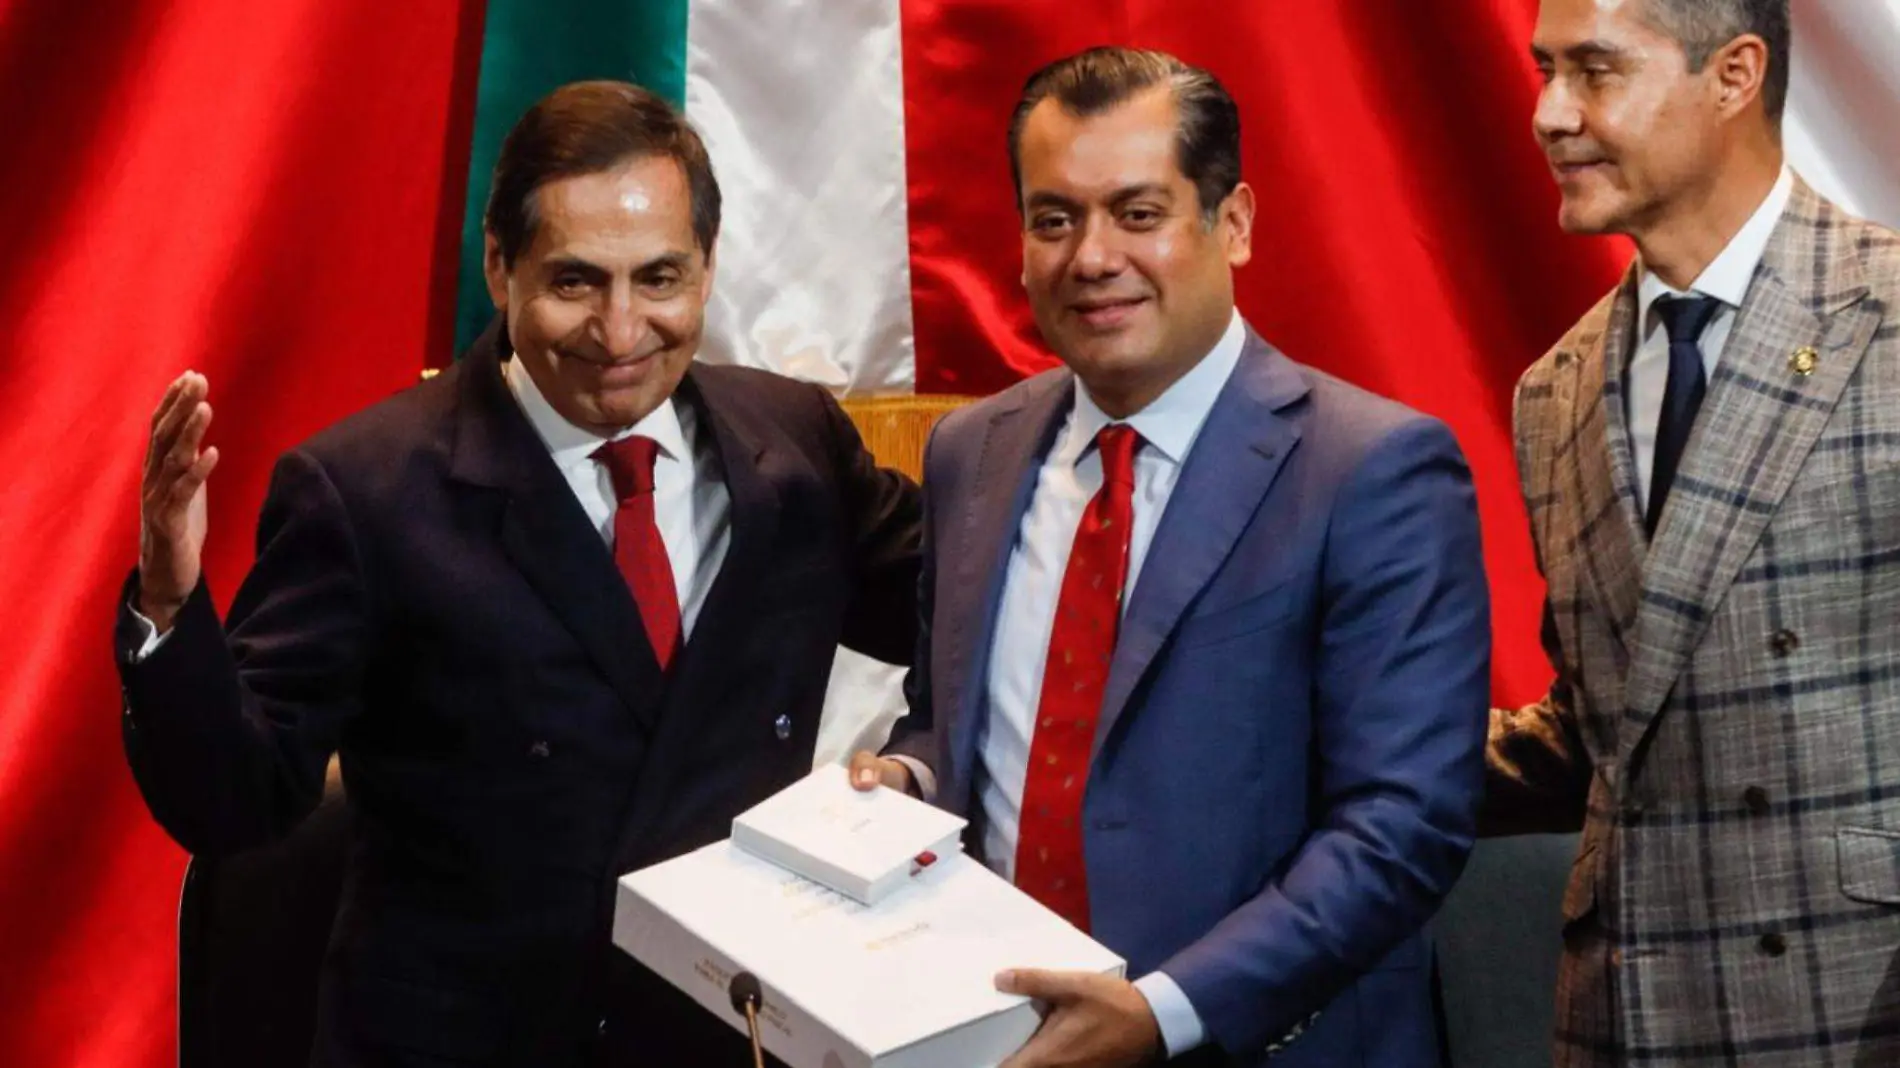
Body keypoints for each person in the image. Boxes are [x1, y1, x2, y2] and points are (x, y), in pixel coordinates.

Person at [120, 80, 920, 1066]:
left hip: (724, 1040)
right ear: (500, 268)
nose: (620, 332)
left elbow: (970, 626)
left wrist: (913, 765)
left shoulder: (796, 446)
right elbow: (236, 799)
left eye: (659, 279)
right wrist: (169, 604)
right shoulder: (364, 489)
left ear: (710, 266)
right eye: (576, 282)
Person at [853, 47, 1490, 1067]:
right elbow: (954, 723)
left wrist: (1164, 1012)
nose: (1091, 256)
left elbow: (1401, 826)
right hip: (993, 1033)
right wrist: (908, 776)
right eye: (1054, 219)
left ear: (1232, 223)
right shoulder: (972, 452)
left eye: (1137, 213)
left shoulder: (1372, 469)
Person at [1485, 1, 1900, 1064]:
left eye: (1594, 71)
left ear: (1734, 75)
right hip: (1627, 1015)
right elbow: (1615, 723)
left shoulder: (1890, 315)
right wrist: (1356, 753)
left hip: (1852, 1004)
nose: (1548, 114)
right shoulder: (1552, 393)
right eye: (1544, 72)